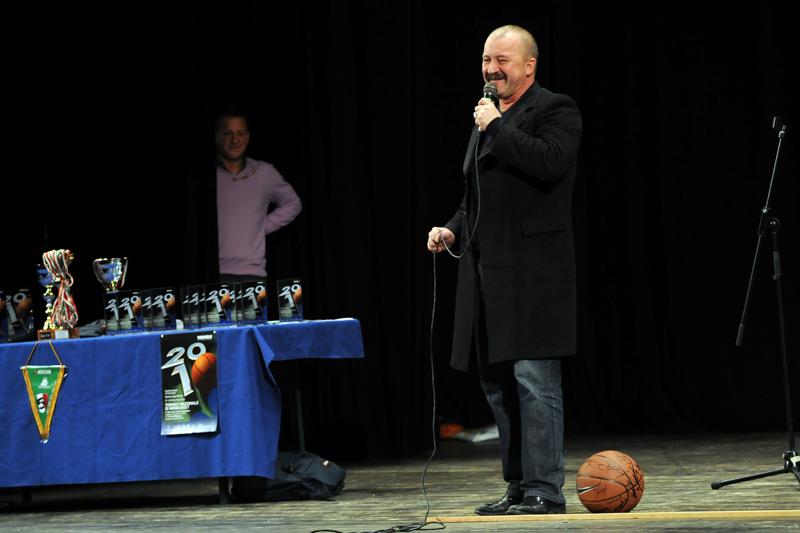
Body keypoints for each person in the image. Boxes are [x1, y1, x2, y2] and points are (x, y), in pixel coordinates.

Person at [426, 25, 581, 515]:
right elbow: (475, 196)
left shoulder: (554, 109)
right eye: (486, 60)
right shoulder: (486, 117)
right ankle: (517, 486)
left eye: (502, 61)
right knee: (497, 386)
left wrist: (496, 126)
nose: (491, 70)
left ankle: (545, 490)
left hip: (533, 275)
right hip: (487, 274)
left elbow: (549, 162)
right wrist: (452, 229)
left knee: (535, 383)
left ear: (529, 66)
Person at [215, 110, 302, 283]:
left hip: (253, 274)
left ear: (247, 138)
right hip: (212, 274)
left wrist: (261, 227)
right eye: (227, 133)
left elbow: (293, 203)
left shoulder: (264, 173)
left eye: (240, 133)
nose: (235, 140)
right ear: (217, 136)